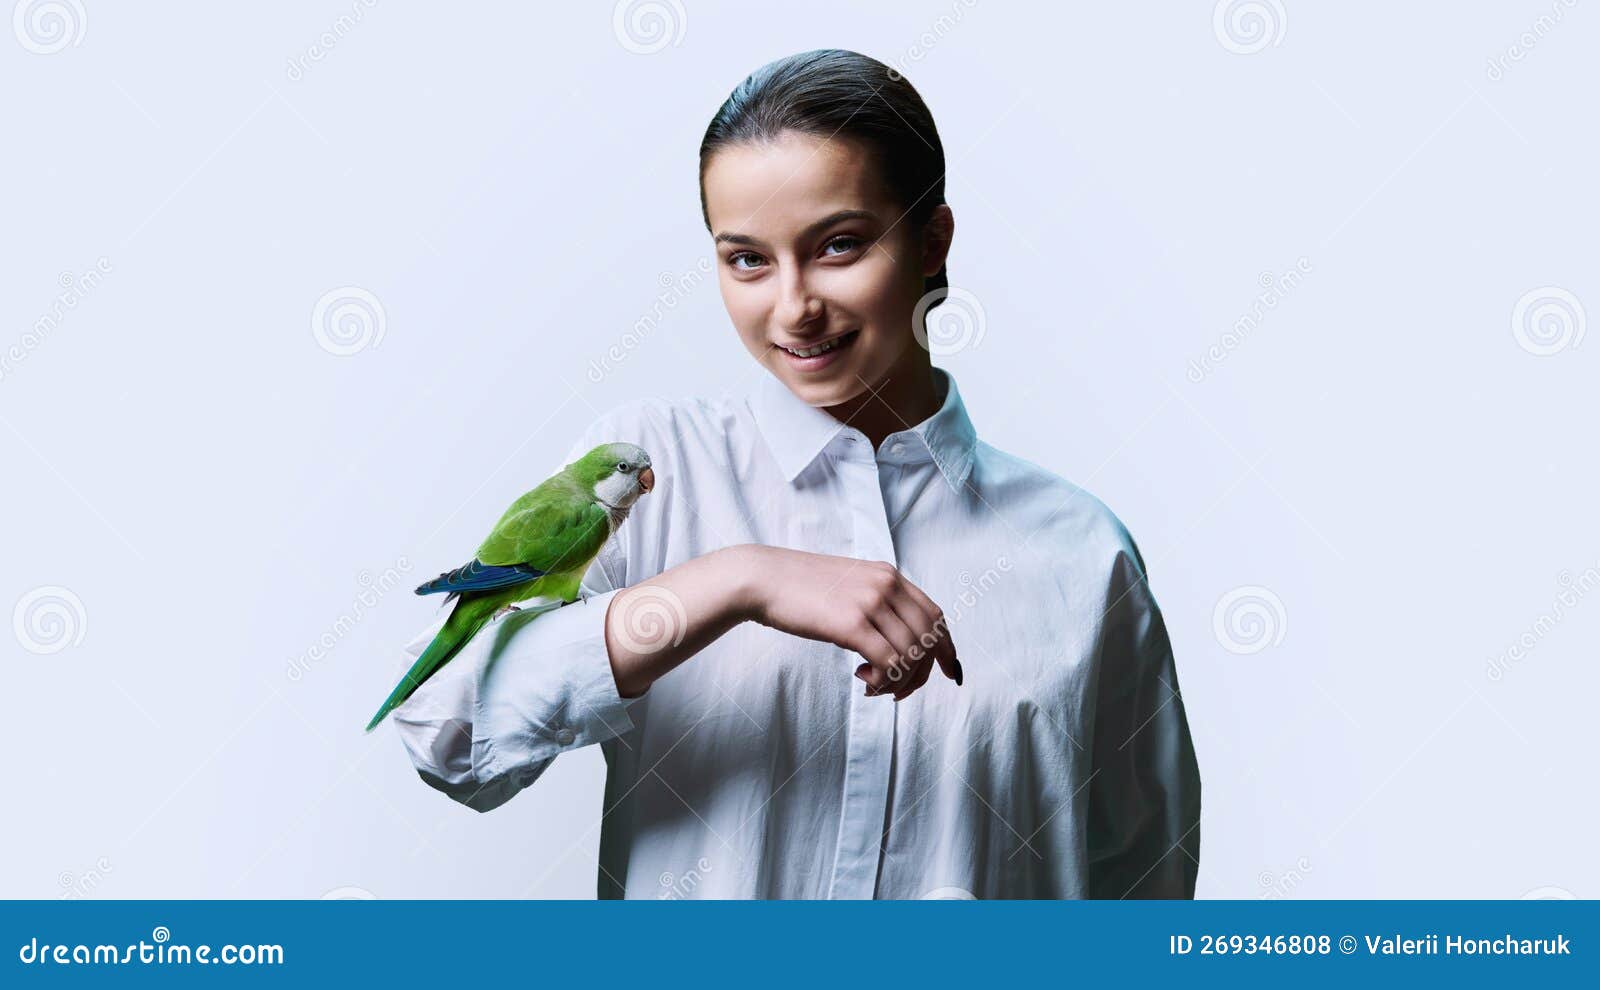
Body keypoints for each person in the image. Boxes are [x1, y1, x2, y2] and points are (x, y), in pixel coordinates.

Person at [387, 48, 1200, 899]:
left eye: (839, 246)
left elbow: (1142, 895)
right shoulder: (648, 474)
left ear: (932, 241)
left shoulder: (1081, 551)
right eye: (747, 259)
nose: (793, 306)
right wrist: (733, 581)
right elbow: (443, 733)